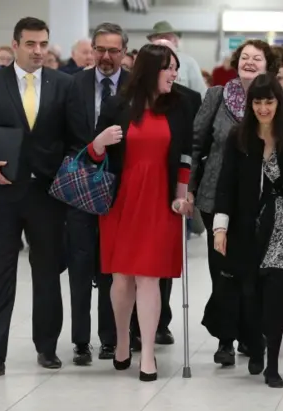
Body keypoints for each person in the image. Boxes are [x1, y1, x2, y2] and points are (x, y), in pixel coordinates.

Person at [0, 17, 87, 377]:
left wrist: (65, 170)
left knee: (47, 272)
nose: (38, 51)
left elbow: (76, 138)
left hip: (47, 195)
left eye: (43, 44)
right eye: (31, 44)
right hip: (1, 194)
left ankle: (47, 348)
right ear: (15, 45)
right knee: (0, 272)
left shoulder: (63, 84)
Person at [190, 39, 283, 366]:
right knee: (224, 271)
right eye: (244, 57)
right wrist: (189, 187)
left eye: (257, 58)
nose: (249, 62)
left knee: (256, 272)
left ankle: (253, 336)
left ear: (268, 66)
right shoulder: (216, 96)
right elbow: (196, 142)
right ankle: (226, 337)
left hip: (264, 202)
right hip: (218, 197)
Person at [88, 43, 193, 382]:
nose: (174, 74)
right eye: (169, 68)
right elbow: (93, 157)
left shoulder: (178, 106)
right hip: (121, 201)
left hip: (159, 202)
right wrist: (99, 142)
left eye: (175, 68)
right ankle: (122, 339)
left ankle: (147, 352)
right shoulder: (118, 105)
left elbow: (186, 156)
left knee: (149, 277)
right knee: (121, 279)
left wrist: (182, 194)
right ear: (151, 70)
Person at [212, 74, 283, 388]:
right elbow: (226, 186)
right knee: (251, 294)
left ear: (279, 103)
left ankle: (273, 363)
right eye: (257, 102)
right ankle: (256, 346)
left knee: (275, 295)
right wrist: (221, 228)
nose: (263, 108)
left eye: (268, 101)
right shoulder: (239, 137)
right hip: (249, 227)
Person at [67, 22, 130, 364]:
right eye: (100, 50)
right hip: (80, 186)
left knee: (112, 266)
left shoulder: (136, 88)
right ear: (92, 49)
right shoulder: (71, 84)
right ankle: (80, 340)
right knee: (79, 262)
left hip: (120, 190)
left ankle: (111, 338)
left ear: (124, 52)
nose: (106, 57)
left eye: (113, 50)